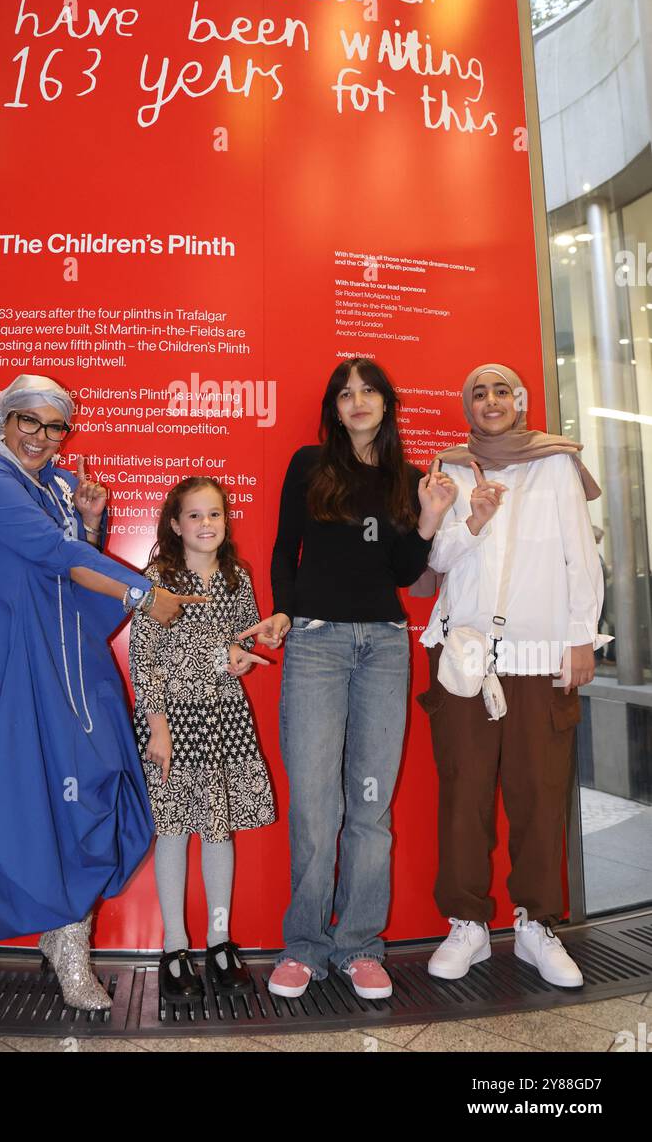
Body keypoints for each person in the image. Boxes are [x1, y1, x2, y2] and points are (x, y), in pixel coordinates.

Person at [0, 374, 205, 1016]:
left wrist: (91, 521)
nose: (43, 437)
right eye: (30, 420)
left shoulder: (56, 485)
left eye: (56, 427)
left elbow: (67, 564)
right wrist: (140, 593)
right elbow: (46, 550)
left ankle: (66, 939)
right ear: (1, 418)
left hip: (53, 660)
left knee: (80, 784)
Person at [238, 358, 457, 1000]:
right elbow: (285, 547)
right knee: (314, 806)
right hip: (315, 645)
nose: (358, 402)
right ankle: (304, 946)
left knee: (370, 807)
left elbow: (401, 572)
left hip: (386, 647)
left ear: (388, 404)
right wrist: (281, 608)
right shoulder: (310, 465)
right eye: (346, 394)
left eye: (369, 392)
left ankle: (360, 946)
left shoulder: (408, 479)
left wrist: (430, 517)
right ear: (334, 408)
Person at [417, 363, 608, 988]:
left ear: (520, 401)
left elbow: (580, 551)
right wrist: (471, 519)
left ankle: (536, 926)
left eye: (502, 391)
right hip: (464, 658)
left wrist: (582, 635)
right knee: (463, 795)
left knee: (538, 793)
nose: (491, 401)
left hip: (540, 655)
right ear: (466, 404)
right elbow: (436, 558)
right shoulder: (449, 466)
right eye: (479, 392)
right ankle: (467, 925)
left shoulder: (556, 462)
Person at [129, 477, 275, 1002]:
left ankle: (219, 942)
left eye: (215, 514)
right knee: (172, 832)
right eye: (195, 515)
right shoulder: (158, 580)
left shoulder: (237, 576)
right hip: (172, 723)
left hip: (222, 719)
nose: (206, 524)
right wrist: (159, 727)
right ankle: (174, 947)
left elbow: (239, 640)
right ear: (175, 524)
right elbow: (144, 659)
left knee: (218, 832)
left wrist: (246, 652)